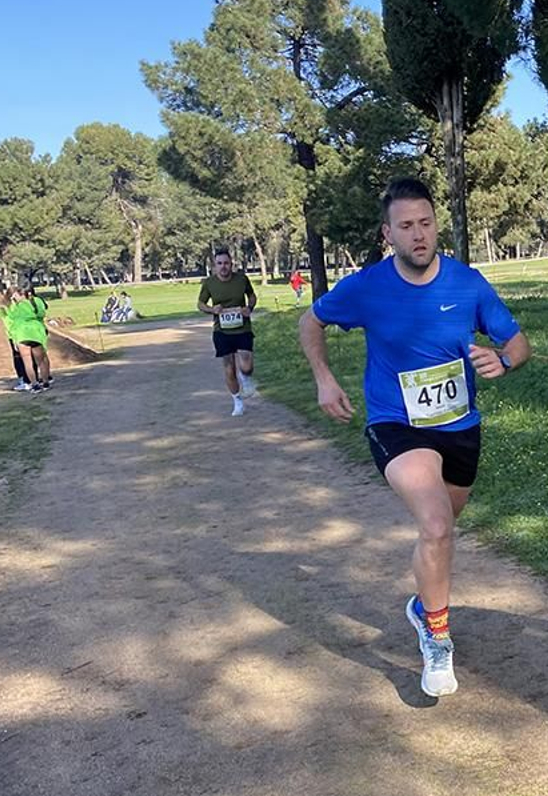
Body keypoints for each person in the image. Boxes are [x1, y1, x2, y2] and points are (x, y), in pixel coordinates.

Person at [298, 177, 531, 699]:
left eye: (425, 223)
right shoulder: (367, 288)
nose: (419, 234)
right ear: (388, 234)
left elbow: (517, 340)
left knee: (442, 531)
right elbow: (309, 321)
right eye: (406, 226)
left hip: (460, 427)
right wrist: (323, 378)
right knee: (434, 524)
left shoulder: (466, 283)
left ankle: (423, 608)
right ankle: (438, 638)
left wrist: (505, 359)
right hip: (394, 423)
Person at [197, 250, 258, 416]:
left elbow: (252, 296)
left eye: (226, 263)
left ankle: (245, 377)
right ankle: (237, 401)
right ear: (214, 266)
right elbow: (200, 304)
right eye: (219, 264)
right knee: (229, 369)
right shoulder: (209, 283)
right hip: (221, 330)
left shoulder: (241, 279)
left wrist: (249, 308)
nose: (223, 267)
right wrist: (212, 309)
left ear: (231, 264)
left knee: (247, 365)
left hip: (242, 328)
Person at [8, 287, 53, 392]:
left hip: (22, 334)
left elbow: (12, 320)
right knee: (41, 360)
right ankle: (46, 382)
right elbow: (42, 313)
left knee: (27, 362)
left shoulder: (18, 306)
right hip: (36, 332)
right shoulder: (37, 301)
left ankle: (34, 384)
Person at [0, 290, 32, 390]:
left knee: (24, 358)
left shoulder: (19, 305)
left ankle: (28, 380)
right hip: (13, 335)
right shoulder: (5, 306)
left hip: (20, 334)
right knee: (18, 358)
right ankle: (24, 379)